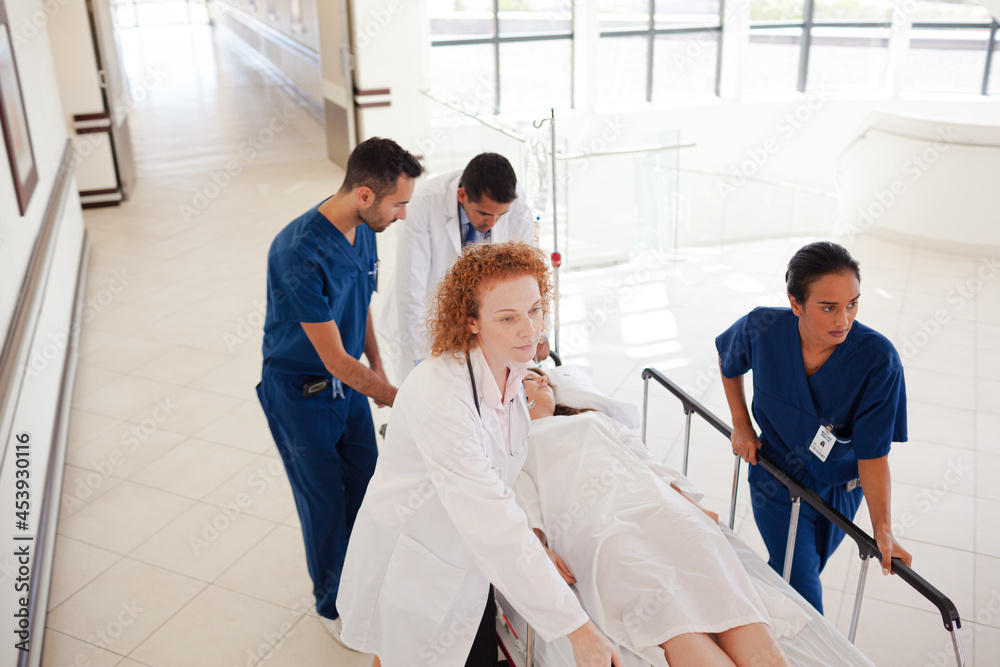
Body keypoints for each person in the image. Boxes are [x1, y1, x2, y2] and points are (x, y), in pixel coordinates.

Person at [338, 241, 622, 667]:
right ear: (470, 321)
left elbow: (500, 481)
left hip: (468, 559)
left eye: (535, 310)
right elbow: (490, 517)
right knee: (403, 654)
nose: (529, 330)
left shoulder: (512, 371)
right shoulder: (441, 396)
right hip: (417, 564)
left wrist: (531, 541)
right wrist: (577, 629)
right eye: (508, 318)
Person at [515, 368, 799, 667]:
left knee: (717, 577)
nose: (544, 380)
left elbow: (647, 461)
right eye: (530, 379)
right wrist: (541, 549)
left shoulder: (593, 418)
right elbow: (522, 506)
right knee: (656, 596)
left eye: (544, 377)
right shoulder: (517, 448)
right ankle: (679, 631)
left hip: (652, 500)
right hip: (596, 526)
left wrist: (689, 503)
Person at [256, 137, 422, 644]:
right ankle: (331, 605)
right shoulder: (298, 253)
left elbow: (358, 301)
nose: (402, 215)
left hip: (347, 389)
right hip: (301, 397)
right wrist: (400, 398)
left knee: (369, 487)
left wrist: (378, 369)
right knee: (325, 506)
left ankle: (365, 582)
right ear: (365, 196)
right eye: (398, 204)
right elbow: (332, 359)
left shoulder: (365, 229)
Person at [716, 241, 912, 614]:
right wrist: (741, 425)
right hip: (775, 476)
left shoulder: (878, 361)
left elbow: (873, 456)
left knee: (796, 574)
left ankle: (759, 614)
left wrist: (883, 530)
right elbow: (729, 362)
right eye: (828, 307)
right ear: (795, 303)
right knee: (802, 588)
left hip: (840, 489)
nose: (843, 320)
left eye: (852, 304)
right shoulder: (763, 327)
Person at [386, 152, 537, 382]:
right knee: (431, 390)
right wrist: (419, 357)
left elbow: (527, 273)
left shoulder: (515, 202)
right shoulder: (424, 203)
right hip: (428, 317)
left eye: (500, 215)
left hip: (483, 319)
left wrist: (540, 333)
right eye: (484, 213)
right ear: (462, 195)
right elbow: (411, 287)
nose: (491, 223)